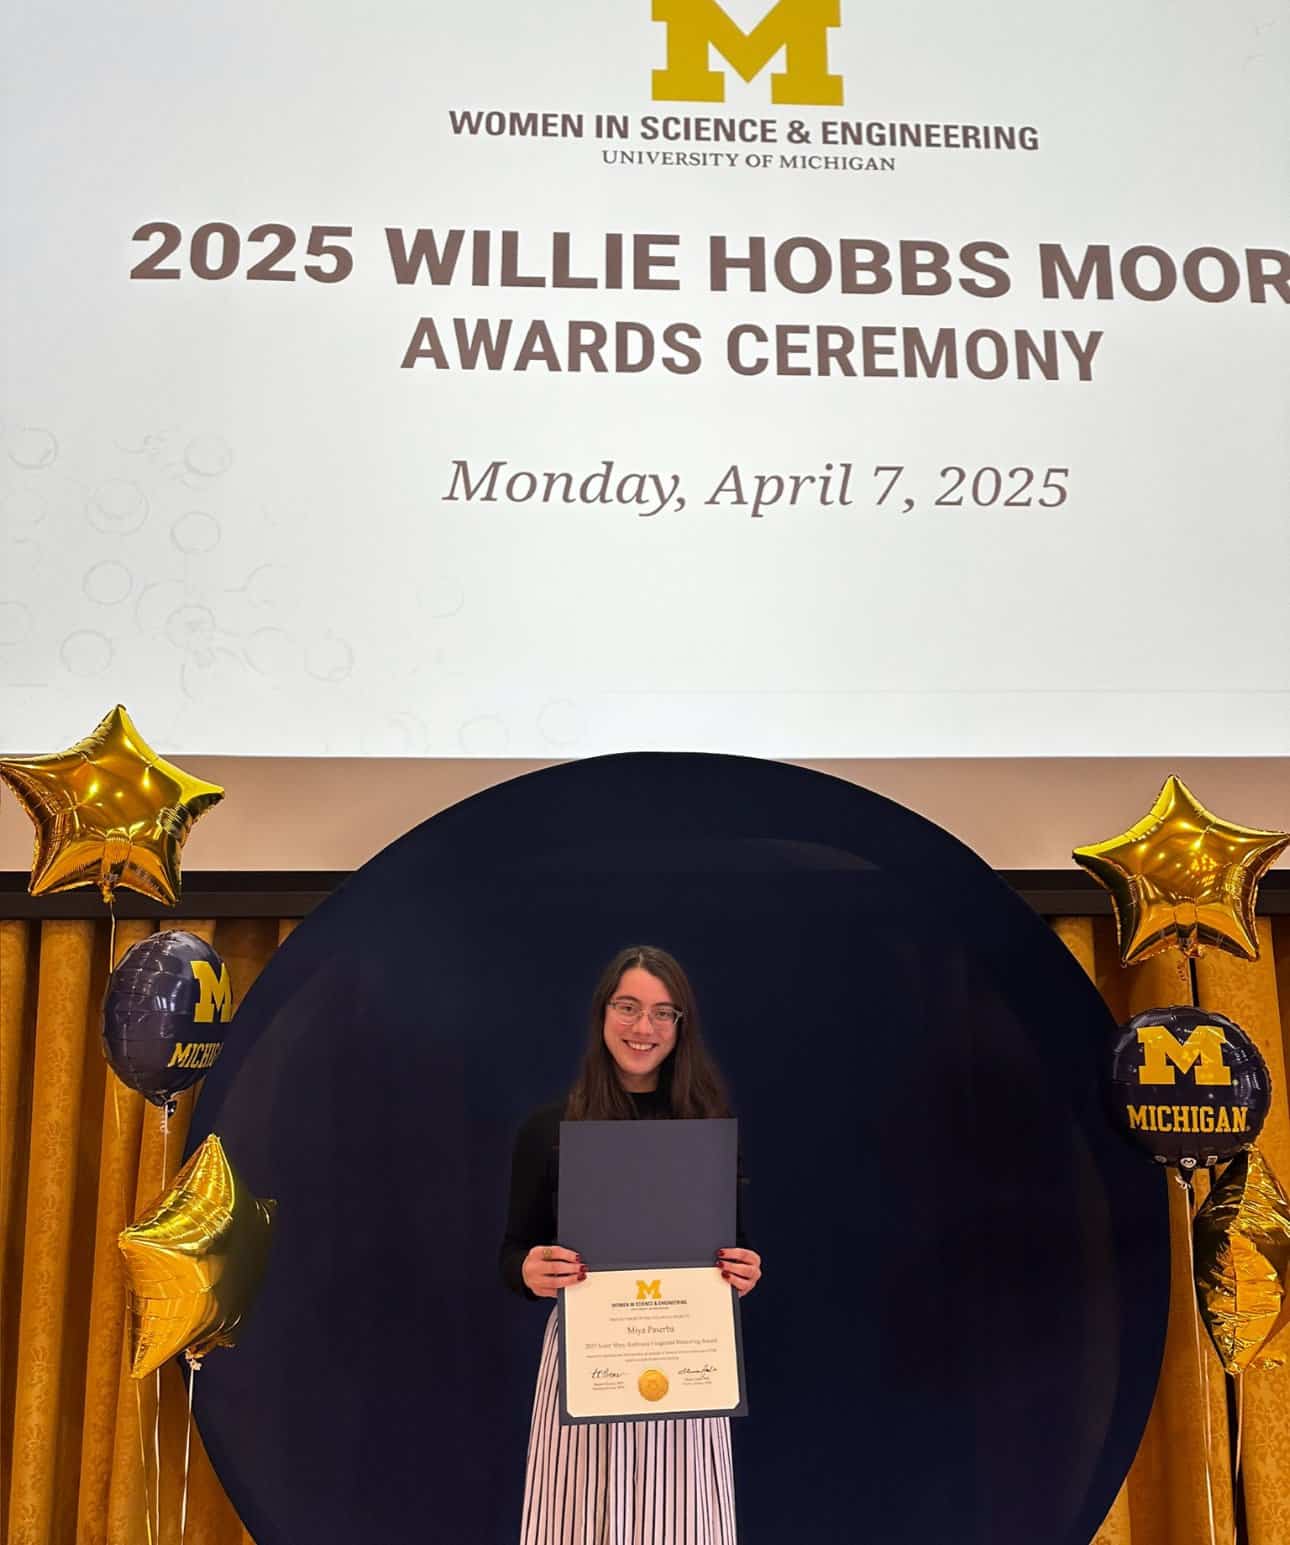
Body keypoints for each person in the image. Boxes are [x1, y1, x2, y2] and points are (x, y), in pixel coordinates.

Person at [500, 944, 762, 1544]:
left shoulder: (708, 1129)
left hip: (686, 1360)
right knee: (577, 1523)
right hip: (589, 1361)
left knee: (682, 1524)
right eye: (628, 1007)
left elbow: (735, 1250)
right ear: (602, 1014)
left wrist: (745, 1271)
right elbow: (512, 1255)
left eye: (662, 1013)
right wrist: (531, 1270)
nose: (643, 1027)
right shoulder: (550, 1128)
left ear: (679, 1027)